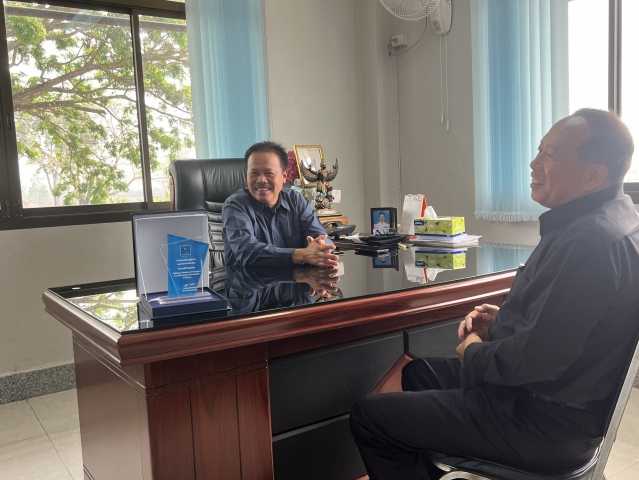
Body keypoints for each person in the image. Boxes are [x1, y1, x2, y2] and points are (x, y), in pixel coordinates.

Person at [350, 109, 639, 480]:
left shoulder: (587, 244)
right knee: (419, 374)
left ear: (593, 176)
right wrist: (502, 322)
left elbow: (530, 363)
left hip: (543, 422)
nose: (534, 163)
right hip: (557, 399)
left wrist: (473, 348)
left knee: (370, 417)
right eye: (539, 150)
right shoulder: (615, 221)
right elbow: (571, 326)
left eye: (550, 155)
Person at [223, 141, 340, 267]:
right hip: (249, 278)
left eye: (269, 173)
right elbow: (246, 251)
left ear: (284, 176)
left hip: (297, 277)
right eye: (254, 173)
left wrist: (321, 247)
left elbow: (320, 236)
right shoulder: (235, 205)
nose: (261, 180)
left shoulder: (296, 201)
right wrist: (300, 255)